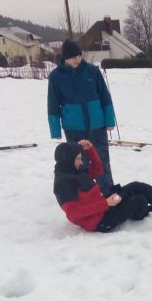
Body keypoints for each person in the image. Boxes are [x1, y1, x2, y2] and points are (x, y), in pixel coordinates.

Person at [53, 140, 152, 233]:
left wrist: (90, 150)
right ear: (68, 160)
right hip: (100, 221)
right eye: (78, 159)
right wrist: (106, 204)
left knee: (136, 186)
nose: (81, 162)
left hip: (104, 206)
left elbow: (97, 170)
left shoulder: (75, 171)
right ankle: (139, 214)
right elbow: (73, 214)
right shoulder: (63, 184)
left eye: (81, 158)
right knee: (139, 200)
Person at [48, 39, 116, 195]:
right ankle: (87, 191)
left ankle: (107, 190)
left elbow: (105, 97)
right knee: (80, 161)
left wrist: (109, 120)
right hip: (73, 128)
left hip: (97, 125)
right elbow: (52, 104)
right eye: (73, 57)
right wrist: (55, 129)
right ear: (65, 58)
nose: (77, 60)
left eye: (79, 56)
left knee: (102, 159)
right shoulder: (56, 77)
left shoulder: (93, 71)